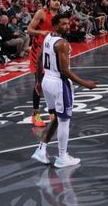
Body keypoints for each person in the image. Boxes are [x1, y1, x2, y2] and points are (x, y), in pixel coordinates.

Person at [31, 14, 98, 168]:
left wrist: (39, 81)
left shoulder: (48, 36)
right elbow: (65, 71)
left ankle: (41, 150)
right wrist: (85, 84)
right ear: (55, 26)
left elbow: (40, 58)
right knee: (64, 121)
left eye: (68, 23)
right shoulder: (62, 44)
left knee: (56, 117)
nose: (67, 26)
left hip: (47, 80)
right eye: (63, 24)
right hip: (58, 83)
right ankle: (62, 157)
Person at [27, 0, 61, 127]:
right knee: (39, 83)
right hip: (38, 52)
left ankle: (52, 111)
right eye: (54, 0)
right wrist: (41, 32)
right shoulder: (41, 13)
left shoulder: (60, 16)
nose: (57, 2)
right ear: (49, 2)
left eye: (58, 0)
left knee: (52, 83)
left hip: (51, 51)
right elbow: (29, 30)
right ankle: (35, 114)